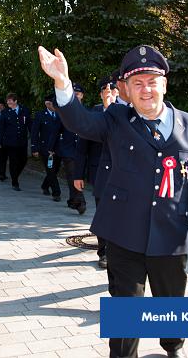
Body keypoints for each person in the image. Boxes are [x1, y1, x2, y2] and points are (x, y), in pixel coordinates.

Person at [39, 44, 188, 358]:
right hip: (123, 235)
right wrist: (62, 83)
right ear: (126, 88)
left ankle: (173, 349)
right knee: (125, 312)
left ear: (164, 85)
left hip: (171, 236)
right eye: (137, 83)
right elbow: (81, 123)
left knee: (172, 304)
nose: (145, 90)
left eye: (152, 82)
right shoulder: (115, 118)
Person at [74, 71, 127, 268]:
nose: (110, 92)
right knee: (103, 213)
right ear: (100, 94)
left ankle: (122, 248)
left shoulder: (129, 111)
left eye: (113, 88)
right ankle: (104, 252)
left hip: (124, 172)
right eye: (105, 89)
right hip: (100, 172)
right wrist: (78, 174)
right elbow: (82, 147)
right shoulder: (94, 113)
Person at [54, 84, 87, 214]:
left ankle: (74, 200)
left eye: (78, 94)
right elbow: (56, 132)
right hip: (69, 150)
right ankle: (81, 201)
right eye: (73, 94)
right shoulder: (63, 112)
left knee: (78, 176)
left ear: (82, 95)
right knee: (72, 175)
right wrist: (52, 148)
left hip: (83, 150)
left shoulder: (88, 111)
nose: (76, 96)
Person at [0, 93, 31, 191]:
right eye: (7, 101)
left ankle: (15, 174)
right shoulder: (5, 112)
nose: (8, 102)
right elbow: (0, 128)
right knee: (13, 162)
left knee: (23, 160)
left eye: (10, 100)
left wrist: (35, 138)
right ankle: (15, 181)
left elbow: (30, 125)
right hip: (10, 142)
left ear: (15, 101)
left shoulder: (24, 110)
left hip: (22, 141)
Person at [31, 94, 62, 201]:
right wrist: (34, 148)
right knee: (51, 169)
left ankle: (45, 185)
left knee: (55, 169)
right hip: (45, 148)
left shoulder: (60, 114)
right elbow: (34, 132)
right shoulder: (40, 115)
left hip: (57, 147)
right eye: (53, 104)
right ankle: (56, 192)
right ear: (47, 104)